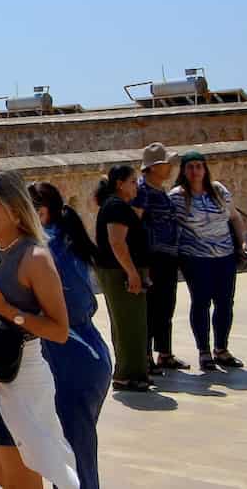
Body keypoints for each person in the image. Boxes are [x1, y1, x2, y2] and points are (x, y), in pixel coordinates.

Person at [0, 171, 80, 489]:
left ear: (15, 206)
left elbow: (59, 330)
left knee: (22, 476)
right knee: (0, 471)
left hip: (23, 376)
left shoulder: (35, 258)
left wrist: (6, 311)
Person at [28, 182, 112, 489]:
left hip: (71, 359)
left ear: (40, 212)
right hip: (87, 355)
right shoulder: (63, 239)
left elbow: (73, 305)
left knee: (74, 460)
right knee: (75, 455)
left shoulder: (44, 250)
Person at [170, 151, 247, 372]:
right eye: (190, 167)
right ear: (184, 171)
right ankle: (204, 351)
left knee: (225, 303)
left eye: (198, 166)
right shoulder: (176, 196)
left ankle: (222, 349)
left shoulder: (218, 190)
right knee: (201, 302)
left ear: (205, 169)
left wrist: (242, 243)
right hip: (195, 258)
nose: (195, 171)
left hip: (224, 256)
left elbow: (234, 217)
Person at [92, 164, 152, 391]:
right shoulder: (116, 206)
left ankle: (132, 372)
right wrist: (132, 272)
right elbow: (117, 242)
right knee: (130, 323)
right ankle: (129, 374)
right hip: (120, 272)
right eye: (132, 181)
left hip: (120, 271)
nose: (136, 186)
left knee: (130, 322)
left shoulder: (118, 206)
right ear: (120, 184)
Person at [133, 143, 187, 373]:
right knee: (151, 309)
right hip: (153, 259)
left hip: (167, 257)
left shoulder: (160, 190)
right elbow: (136, 224)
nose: (170, 167)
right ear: (155, 167)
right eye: (166, 163)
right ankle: (146, 357)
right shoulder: (143, 191)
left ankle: (164, 353)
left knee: (166, 307)